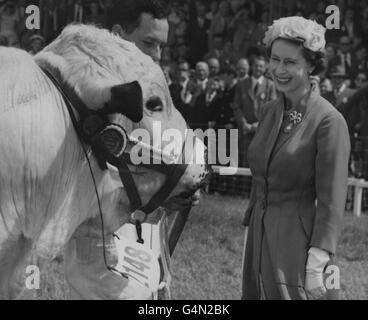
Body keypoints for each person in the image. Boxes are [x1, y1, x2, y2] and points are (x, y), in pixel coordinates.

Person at [64, 0, 172, 300]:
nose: (157, 55)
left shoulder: (151, 89)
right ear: (117, 35)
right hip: (102, 234)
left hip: (147, 232)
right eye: (148, 43)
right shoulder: (85, 92)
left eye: (162, 46)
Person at [242, 16, 350, 300]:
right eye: (275, 60)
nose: (279, 69)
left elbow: (332, 198)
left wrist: (320, 253)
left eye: (290, 62)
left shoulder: (329, 120)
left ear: (311, 65)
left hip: (299, 239)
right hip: (258, 232)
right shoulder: (268, 111)